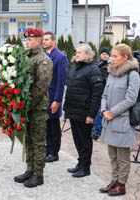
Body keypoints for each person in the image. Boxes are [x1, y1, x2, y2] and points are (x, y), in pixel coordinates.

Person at [99, 44, 140, 196]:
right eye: (112, 55)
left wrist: (113, 112)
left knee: (122, 157)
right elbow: (104, 95)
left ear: (126, 57)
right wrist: (104, 110)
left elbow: (131, 99)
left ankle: (121, 185)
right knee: (112, 155)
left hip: (122, 121)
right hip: (109, 120)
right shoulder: (111, 73)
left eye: (115, 56)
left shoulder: (132, 74)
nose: (112, 59)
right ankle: (114, 180)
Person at [13, 28, 53, 188]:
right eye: (26, 39)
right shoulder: (25, 58)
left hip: (37, 108)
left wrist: (27, 104)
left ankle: (38, 174)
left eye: (30, 40)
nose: (27, 42)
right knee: (28, 140)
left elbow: (41, 86)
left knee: (37, 142)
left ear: (38, 41)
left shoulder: (43, 60)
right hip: (26, 107)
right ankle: (30, 169)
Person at [64, 43, 103, 178]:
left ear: (88, 54)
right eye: (76, 52)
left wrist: (91, 115)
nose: (77, 54)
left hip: (84, 112)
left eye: (80, 52)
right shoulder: (75, 67)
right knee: (77, 140)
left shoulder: (93, 69)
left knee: (85, 141)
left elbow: (97, 95)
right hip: (74, 110)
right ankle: (80, 163)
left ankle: (85, 167)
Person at [42, 31, 68, 163]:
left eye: (47, 39)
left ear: (54, 41)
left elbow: (61, 81)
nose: (44, 42)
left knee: (53, 126)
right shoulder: (46, 55)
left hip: (53, 98)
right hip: (45, 97)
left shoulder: (60, 57)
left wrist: (57, 100)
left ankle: (54, 152)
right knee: (47, 125)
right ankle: (48, 148)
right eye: (43, 39)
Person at [91, 47, 111, 140]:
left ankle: (97, 131)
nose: (105, 55)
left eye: (106, 54)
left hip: (105, 93)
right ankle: (94, 129)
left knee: (100, 113)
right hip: (96, 92)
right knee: (95, 112)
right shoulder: (96, 65)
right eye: (103, 54)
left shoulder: (111, 66)